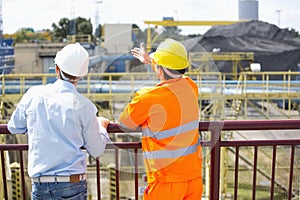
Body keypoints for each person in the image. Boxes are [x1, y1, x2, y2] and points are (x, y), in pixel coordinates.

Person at [7, 43, 111, 200]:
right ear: (81, 76)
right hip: (71, 185)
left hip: (40, 185)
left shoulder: (34, 94)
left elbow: (14, 127)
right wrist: (102, 127)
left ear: (57, 68)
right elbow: (96, 150)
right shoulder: (85, 106)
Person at [119, 39, 203, 199]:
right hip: (193, 178)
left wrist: (140, 95)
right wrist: (151, 60)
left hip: (166, 182)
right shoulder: (191, 87)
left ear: (160, 69)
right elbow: (172, 71)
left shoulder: (148, 98)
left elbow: (125, 124)